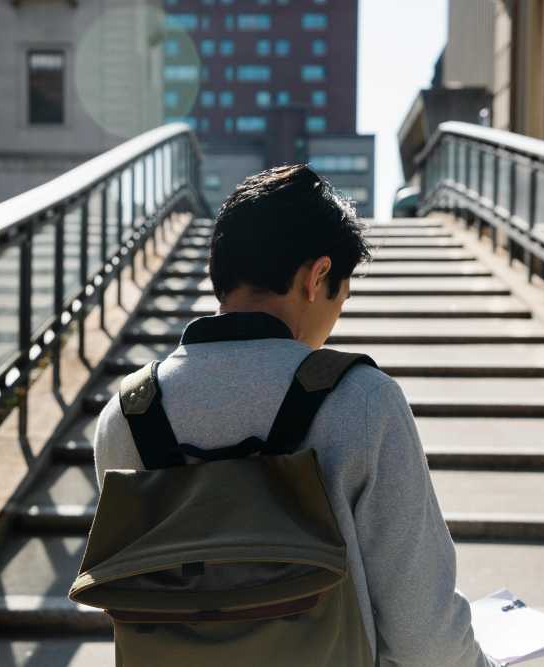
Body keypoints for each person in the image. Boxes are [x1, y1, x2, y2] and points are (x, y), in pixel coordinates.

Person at [92, 164, 498, 666]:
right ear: (318, 276)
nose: (332, 321)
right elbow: (423, 635)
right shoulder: (362, 402)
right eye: (340, 299)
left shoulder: (127, 416)